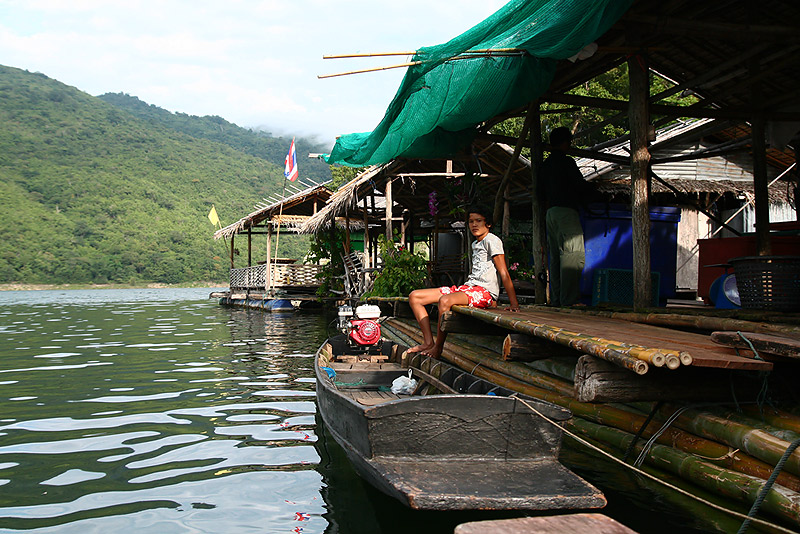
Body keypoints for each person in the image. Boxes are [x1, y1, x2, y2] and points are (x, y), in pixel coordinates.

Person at [407, 205, 519, 358]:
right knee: (415, 296)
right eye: (471, 221)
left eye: (479, 221)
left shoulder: (492, 240)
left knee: (445, 301)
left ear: (489, 224)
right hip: (469, 288)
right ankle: (428, 342)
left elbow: (504, 272)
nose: (474, 225)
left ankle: (438, 348)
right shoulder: (475, 243)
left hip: (484, 292)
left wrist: (513, 304)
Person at [539, 126, 595, 307]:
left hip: (551, 213)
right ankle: (569, 300)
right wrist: (595, 190)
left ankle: (556, 300)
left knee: (555, 258)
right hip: (565, 211)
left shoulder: (545, 165)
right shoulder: (566, 162)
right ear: (565, 143)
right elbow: (579, 185)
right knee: (572, 254)